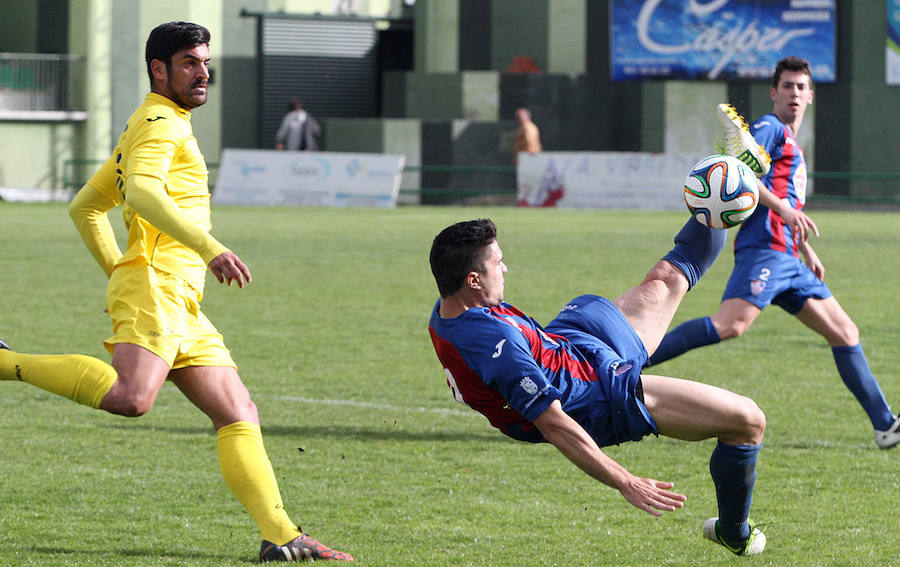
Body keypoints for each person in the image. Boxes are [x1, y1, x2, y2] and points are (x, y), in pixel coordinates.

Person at [0, 22, 352, 563]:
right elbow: (141, 191)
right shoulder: (161, 122)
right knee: (132, 397)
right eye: (189, 62)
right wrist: (207, 249)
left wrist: (120, 273)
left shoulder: (153, 122)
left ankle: (281, 535)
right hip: (161, 285)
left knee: (238, 411)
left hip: (176, 296)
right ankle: (6, 363)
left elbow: (85, 207)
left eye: (206, 62)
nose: (203, 72)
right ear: (158, 69)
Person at [428, 217, 768, 556]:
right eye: (498, 263)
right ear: (473, 280)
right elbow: (554, 424)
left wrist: (717, 203)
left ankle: (714, 206)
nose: (505, 269)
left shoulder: (451, 308)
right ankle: (733, 532)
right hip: (594, 398)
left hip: (568, 344)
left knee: (667, 278)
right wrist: (625, 481)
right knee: (747, 420)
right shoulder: (494, 344)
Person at [647, 56, 900, 449]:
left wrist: (804, 247)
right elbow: (741, 174)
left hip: (789, 257)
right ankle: (632, 360)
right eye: (787, 86)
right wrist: (783, 209)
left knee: (845, 332)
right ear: (773, 93)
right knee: (731, 324)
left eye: (801, 87)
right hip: (765, 251)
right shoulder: (771, 128)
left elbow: (785, 200)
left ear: (810, 95)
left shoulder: (793, 142)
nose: (794, 93)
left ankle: (886, 426)